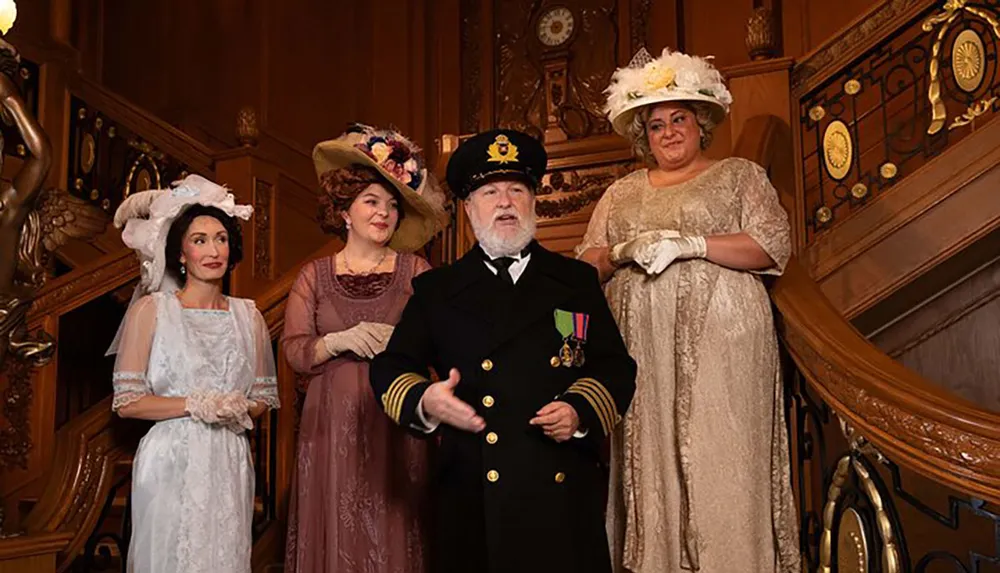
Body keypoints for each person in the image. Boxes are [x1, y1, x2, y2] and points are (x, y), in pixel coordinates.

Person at [370, 129, 637, 573]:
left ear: (534, 201)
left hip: (562, 492)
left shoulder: (575, 281)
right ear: (469, 208)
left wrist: (579, 409)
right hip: (473, 495)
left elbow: (615, 367)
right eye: (490, 192)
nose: (505, 202)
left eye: (517, 189)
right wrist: (426, 401)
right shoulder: (438, 289)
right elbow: (392, 366)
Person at [576, 47, 800, 572]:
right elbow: (583, 267)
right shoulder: (621, 191)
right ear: (644, 137)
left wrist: (695, 244)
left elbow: (771, 246)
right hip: (641, 347)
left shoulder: (739, 175)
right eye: (656, 125)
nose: (670, 132)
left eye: (680, 119)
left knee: (722, 453)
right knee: (652, 460)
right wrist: (620, 252)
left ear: (701, 124)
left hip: (725, 343)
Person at [282, 124, 449, 573]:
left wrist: (404, 342)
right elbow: (295, 351)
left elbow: (443, 344)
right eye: (372, 202)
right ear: (344, 213)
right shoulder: (312, 277)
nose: (384, 213)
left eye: (392, 205)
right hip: (330, 423)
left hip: (395, 418)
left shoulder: (417, 270)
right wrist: (337, 340)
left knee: (395, 527)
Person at [108, 174, 281, 573]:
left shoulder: (248, 316)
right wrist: (196, 404)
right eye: (199, 240)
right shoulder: (152, 311)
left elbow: (262, 397)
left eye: (220, 238)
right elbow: (128, 402)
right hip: (171, 459)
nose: (213, 249)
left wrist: (237, 406)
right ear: (180, 253)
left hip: (228, 457)